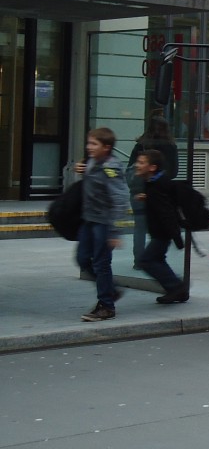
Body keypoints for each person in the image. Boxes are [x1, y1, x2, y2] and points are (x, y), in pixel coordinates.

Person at [75, 127, 131, 322]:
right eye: (88, 143)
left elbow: (120, 197)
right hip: (89, 220)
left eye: (93, 144)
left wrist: (114, 231)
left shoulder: (111, 167)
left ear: (106, 148)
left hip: (103, 223)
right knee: (82, 259)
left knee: (101, 264)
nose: (88, 147)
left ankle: (106, 305)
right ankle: (110, 290)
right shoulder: (92, 162)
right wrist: (81, 171)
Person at [132, 148, 188, 304]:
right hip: (159, 231)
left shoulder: (157, 186)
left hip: (162, 232)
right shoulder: (153, 183)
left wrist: (176, 237)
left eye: (141, 162)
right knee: (157, 259)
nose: (137, 165)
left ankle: (177, 288)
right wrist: (147, 197)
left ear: (152, 168)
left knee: (146, 260)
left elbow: (167, 212)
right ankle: (176, 289)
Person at [128, 116, 178, 264]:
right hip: (160, 192)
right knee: (160, 228)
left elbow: (131, 168)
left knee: (140, 227)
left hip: (138, 191)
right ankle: (156, 258)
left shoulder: (141, 145)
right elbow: (174, 171)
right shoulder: (170, 146)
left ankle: (139, 260)